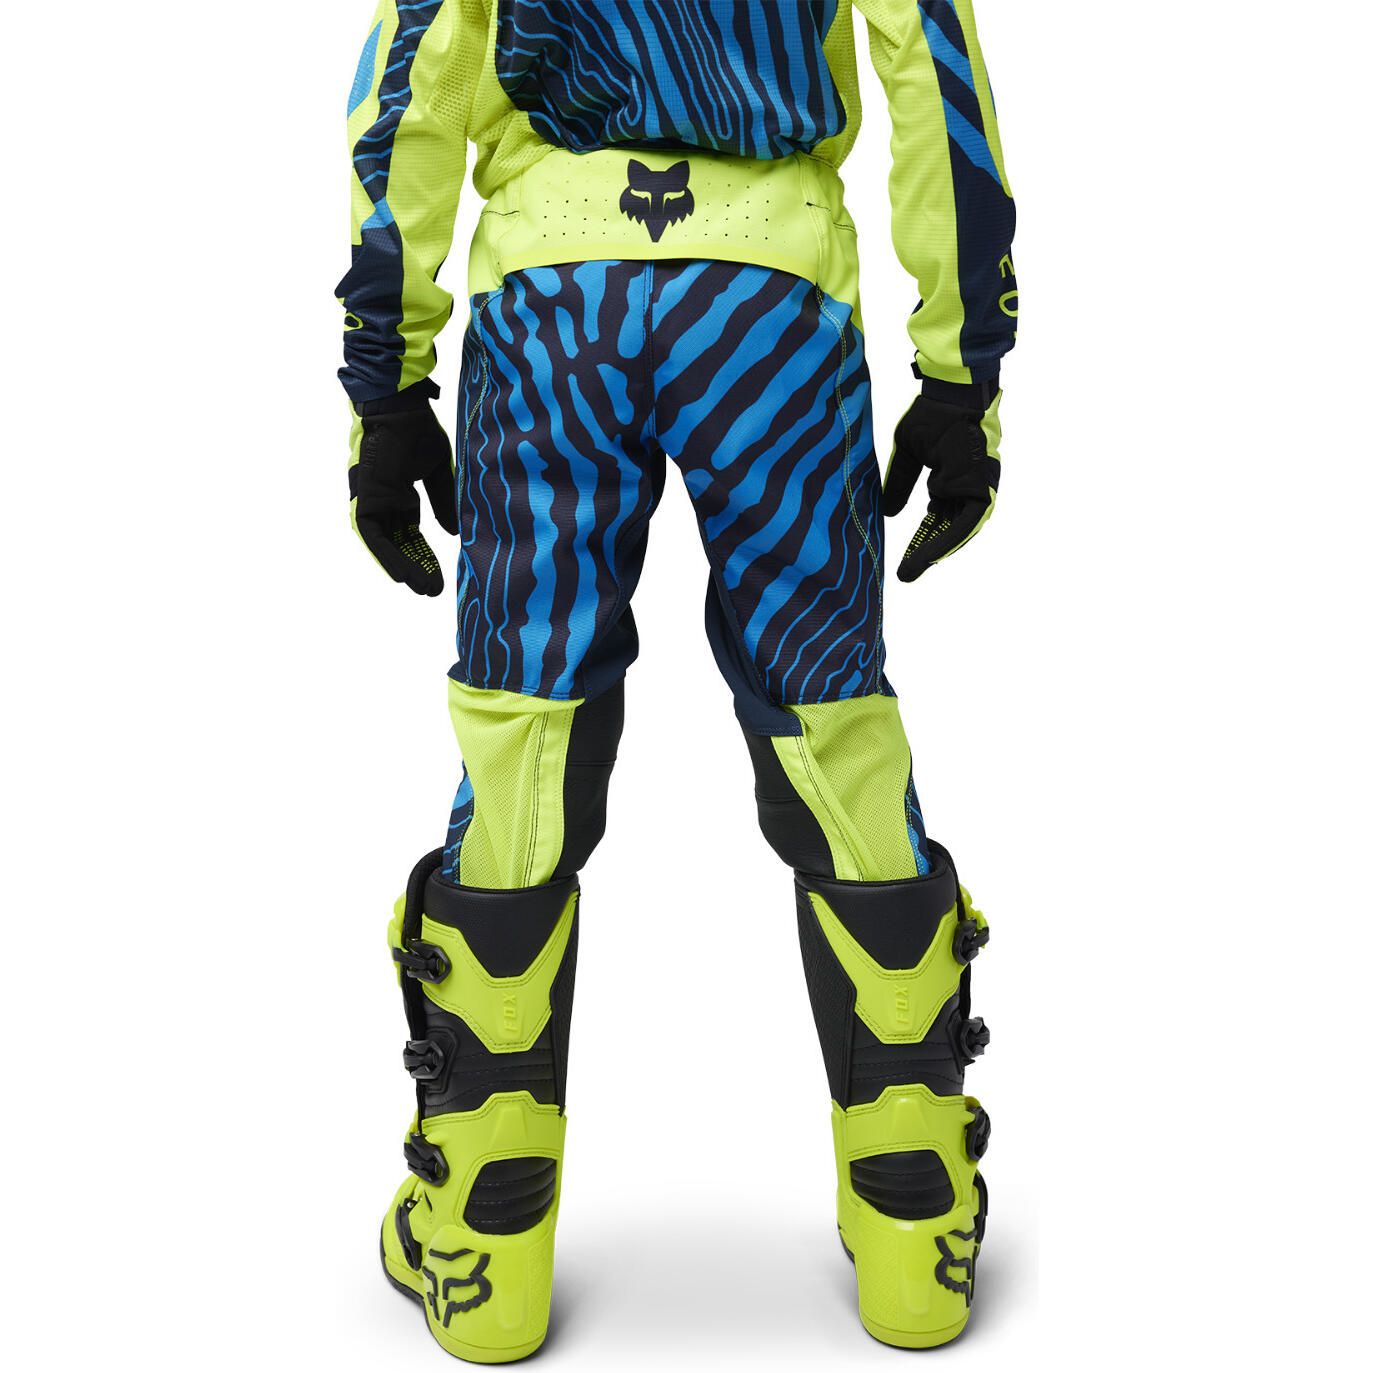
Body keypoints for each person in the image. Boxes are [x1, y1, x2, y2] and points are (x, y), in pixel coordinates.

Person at [339, 1, 1015, 1360]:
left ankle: (482, 1250)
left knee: (525, 728)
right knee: (832, 716)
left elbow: (416, 64)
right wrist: (962, 370)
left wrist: (385, 378)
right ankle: (915, 1235)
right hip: (772, 304)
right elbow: (927, 55)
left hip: (554, 302)